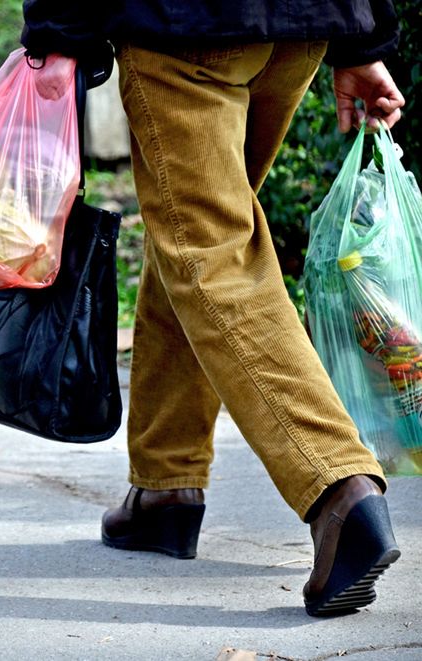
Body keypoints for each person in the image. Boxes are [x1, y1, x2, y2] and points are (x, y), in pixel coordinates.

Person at [22, 1, 405, 616]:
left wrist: (56, 32)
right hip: (297, 30)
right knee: (192, 234)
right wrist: (364, 37)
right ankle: (164, 485)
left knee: (210, 256)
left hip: (184, 27)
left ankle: (338, 486)